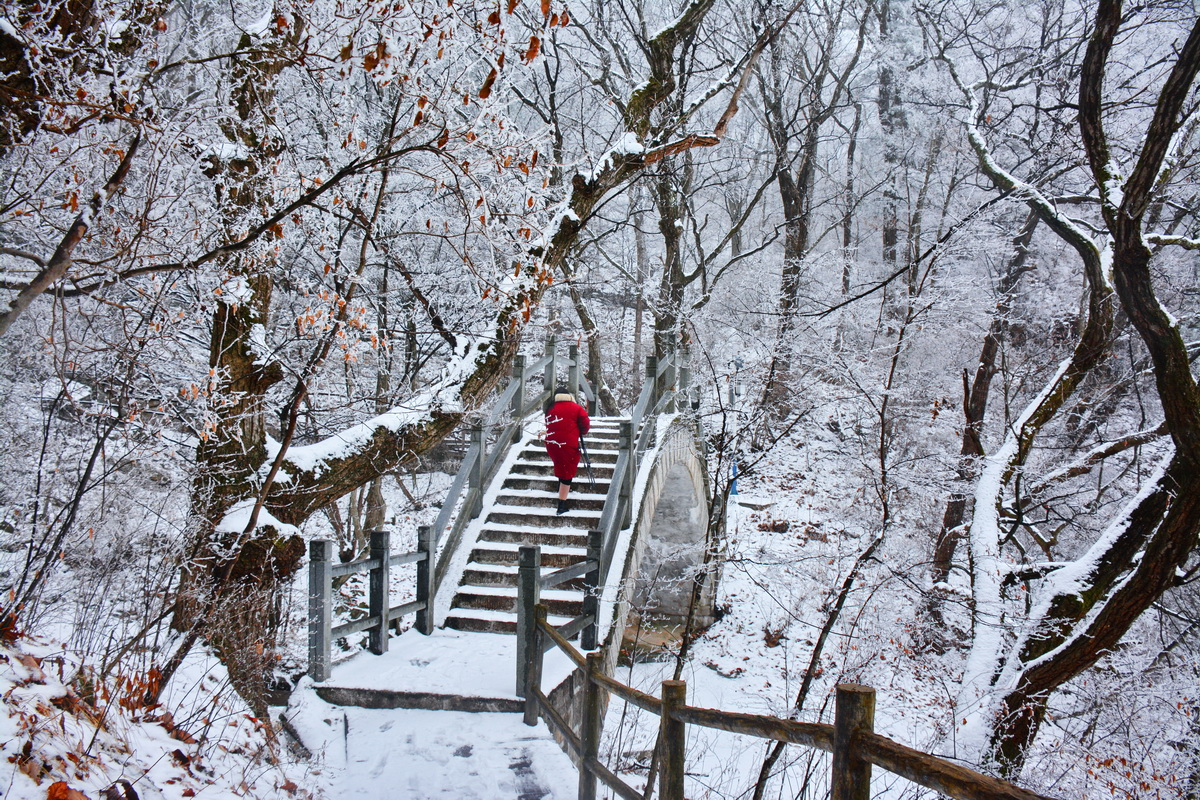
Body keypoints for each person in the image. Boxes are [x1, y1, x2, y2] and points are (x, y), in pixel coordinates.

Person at [543, 384, 590, 515]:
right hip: (567, 443)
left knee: (561, 465)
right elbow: (585, 423)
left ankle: (562, 491)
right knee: (567, 472)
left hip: (552, 443)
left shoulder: (550, 408)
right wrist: (581, 430)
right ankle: (561, 504)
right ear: (569, 396)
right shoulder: (576, 408)